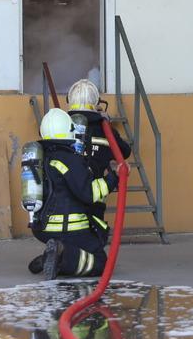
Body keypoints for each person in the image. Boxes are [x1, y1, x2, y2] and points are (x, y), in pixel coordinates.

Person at [27, 108, 119, 280]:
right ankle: (61, 255)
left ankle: (54, 256)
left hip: (42, 228)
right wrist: (113, 178)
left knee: (79, 249)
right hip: (70, 228)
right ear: (69, 130)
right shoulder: (70, 159)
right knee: (100, 262)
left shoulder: (41, 157)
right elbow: (89, 193)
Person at [66, 78, 132, 235]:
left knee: (68, 236)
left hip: (65, 197)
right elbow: (125, 151)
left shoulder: (62, 125)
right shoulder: (104, 130)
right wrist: (105, 122)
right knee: (94, 240)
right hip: (95, 198)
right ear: (96, 102)